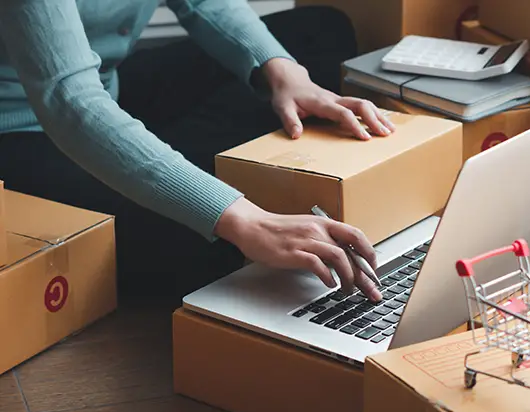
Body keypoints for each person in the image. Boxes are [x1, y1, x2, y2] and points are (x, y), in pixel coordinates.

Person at [0, 1, 394, 303]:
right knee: (207, 248)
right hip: (22, 131)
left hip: (107, 88)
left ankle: (183, 174)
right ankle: (205, 189)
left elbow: (203, 3)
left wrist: (285, 74)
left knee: (322, 32)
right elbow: (70, 101)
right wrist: (242, 220)